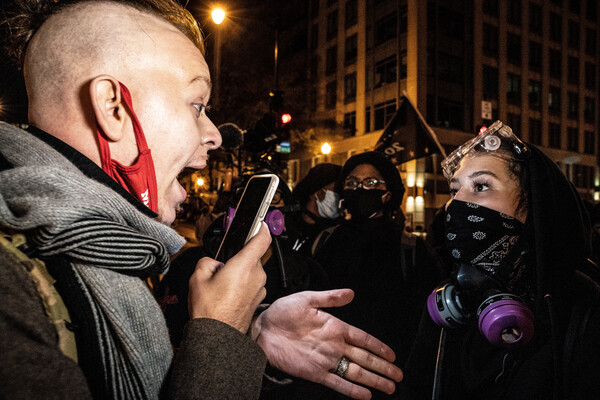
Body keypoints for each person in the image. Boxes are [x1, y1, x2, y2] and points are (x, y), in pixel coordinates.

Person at [0, 1, 403, 399]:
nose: (213, 135)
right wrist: (220, 334)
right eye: (196, 105)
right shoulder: (11, 287)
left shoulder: (103, 253)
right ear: (112, 107)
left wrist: (249, 332)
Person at [398, 121, 600, 399]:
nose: (455, 203)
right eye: (454, 189)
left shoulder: (584, 311)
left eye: (481, 186)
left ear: (532, 204)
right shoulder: (449, 306)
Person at [309, 151, 443, 399]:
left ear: (388, 193)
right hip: (324, 373)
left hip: (388, 378)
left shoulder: (411, 248)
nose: (359, 188)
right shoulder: (326, 241)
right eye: (351, 182)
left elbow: (427, 327)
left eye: (370, 182)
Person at [288, 162, 343, 256]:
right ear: (318, 192)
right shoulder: (287, 223)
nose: (341, 197)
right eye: (336, 191)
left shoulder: (335, 234)